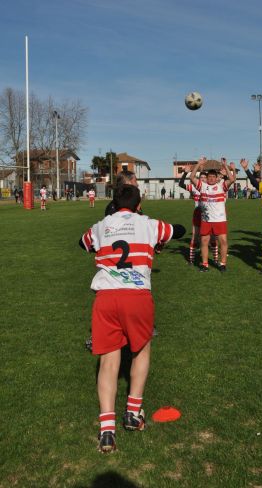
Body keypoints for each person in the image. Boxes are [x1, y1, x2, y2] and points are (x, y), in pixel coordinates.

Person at [79, 185, 185, 453]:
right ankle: (133, 414)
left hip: (105, 298)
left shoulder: (102, 224)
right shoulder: (148, 223)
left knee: (109, 360)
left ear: (114, 203)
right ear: (139, 204)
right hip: (136, 296)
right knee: (140, 349)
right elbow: (178, 230)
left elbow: (83, 243)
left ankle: (106, 432)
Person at [189, 157, 236, 272]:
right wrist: (198, 164)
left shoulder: (221, 186)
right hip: (206, 220)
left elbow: (232, 179)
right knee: (204, 241)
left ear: (216, 178)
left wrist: (225, 166)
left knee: (223, 241)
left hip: (220, 220)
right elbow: (191, 177)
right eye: (209, 176)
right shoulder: (202, 186)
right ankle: (205, 264)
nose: (211, 178)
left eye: (213, 177)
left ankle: (223, 263)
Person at [179, 165, 218, 265]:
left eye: (205, 178)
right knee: (195, 237)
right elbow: (181, 184)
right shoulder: (194, 187)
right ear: (199, 179)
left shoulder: (212, 187)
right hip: (198, 213)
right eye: (201, 178)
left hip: (210, 214)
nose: (203, 179)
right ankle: (191, 260)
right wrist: (185, 173)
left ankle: (216, 259)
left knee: (213, 237)